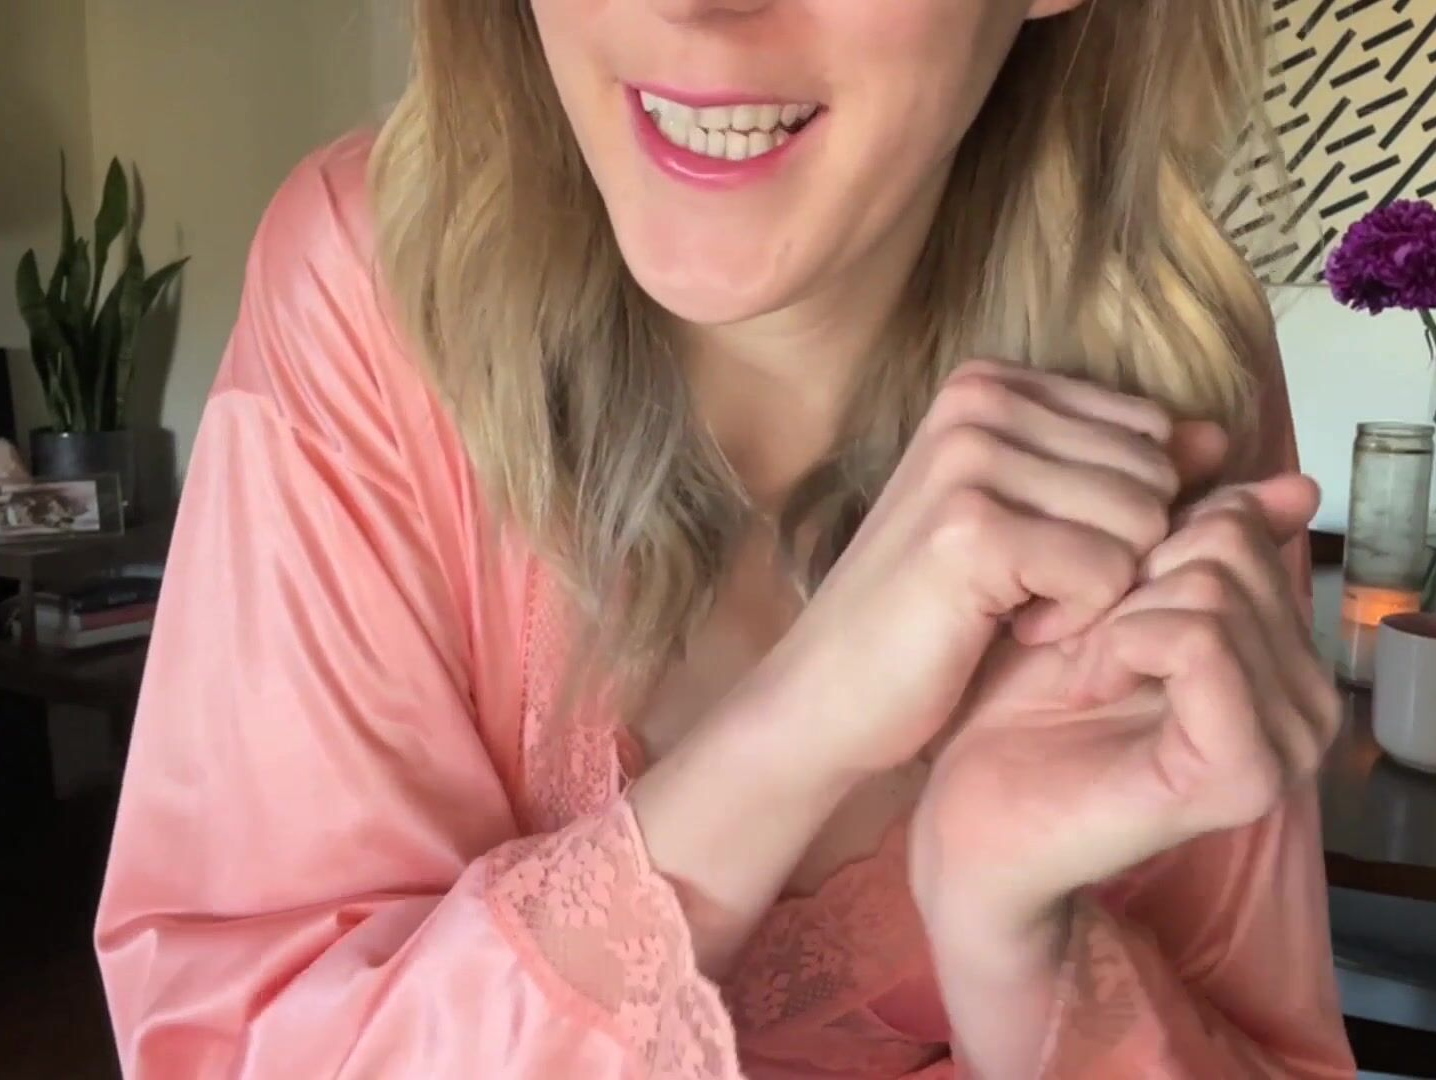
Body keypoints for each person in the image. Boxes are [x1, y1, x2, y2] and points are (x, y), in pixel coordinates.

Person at [94, 1, 1356, 1076]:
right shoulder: (375, 286)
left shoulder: (1168, 360)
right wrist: (801, 728)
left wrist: (1013, 942)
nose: (694, 6)